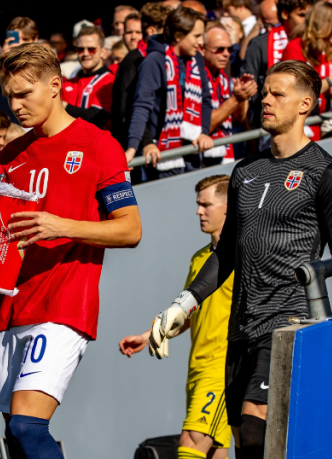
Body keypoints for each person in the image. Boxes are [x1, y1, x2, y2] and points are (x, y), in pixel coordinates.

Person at [149, 60, 332, 459]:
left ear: (305, 105)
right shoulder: (245, 171)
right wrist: (185, 302)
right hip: (241, 329)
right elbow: (226, 252)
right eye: (265, 92)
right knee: (247, 446)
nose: (265, 100)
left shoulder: (328, 173)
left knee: (254, 426)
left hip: (290, 321)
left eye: (277, 94)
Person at [0, 43, 142, 459]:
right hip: (11, 306)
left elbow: (131, 230)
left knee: (28, 424)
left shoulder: (97, 144)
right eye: (9, 96)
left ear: (56, 85)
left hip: (63, 302)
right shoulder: (9, 154)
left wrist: (62, 225)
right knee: (15, 436)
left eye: (25, 93)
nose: (15, 105)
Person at [119, 175, 235, 459]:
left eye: (206, 205)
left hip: (222, 368)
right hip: (197, 367)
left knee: (192, 442)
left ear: (228, 208)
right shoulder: (200, 258)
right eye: (198, 204)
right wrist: (150, 335)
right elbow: (187, 312)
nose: (199, 211)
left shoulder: (243, 255)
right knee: (214, 453)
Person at [126, 6, 214, 178]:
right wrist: (134, 148)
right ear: (178, 36)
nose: (200, 41)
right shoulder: (154, 61)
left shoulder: (196, 58)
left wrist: (203, 132)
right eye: (196, 36)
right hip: (161, 154)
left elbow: (205, 100)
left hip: (192, 150)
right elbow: (141, 106)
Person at [240, 0, 316, 126]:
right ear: (285, 14)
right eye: (302, 15)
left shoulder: (314, 43)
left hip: (309, 122)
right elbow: (246, 92)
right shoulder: (259, 45)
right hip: (269, 125)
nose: (308, 21)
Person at [282, 1, 332, 138]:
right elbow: (298, 93)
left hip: (316, 125)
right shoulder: (294, 48)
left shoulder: (330, 52)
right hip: (294, 128)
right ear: (325, 24)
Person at [112, 2, 170, 149]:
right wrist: (147, 142)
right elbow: (127, 108)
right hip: (142, 148)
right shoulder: (134, 60)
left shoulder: (158, 57)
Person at [202, 25, 257, 165]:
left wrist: (242, 98)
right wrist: (234, 99)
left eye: (229, 49)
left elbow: (235, 121)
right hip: (202, 159)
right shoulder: (195, 78)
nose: (226, 54)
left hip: (224, 154)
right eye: (219, 49)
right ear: (202, 49)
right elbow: (204, 125)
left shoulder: (223, 79)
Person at [61, 25, 115, 129]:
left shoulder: (109, 81)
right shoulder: (69, 83)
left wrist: (61, 105)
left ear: (103, 52)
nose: (85, 53)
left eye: (91, 49)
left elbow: (95, 117)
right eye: (80, 49)